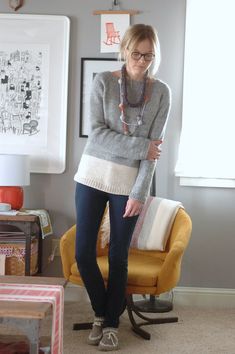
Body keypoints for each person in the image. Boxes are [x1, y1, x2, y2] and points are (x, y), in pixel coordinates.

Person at [74, 23, 171, 351]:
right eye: (136, 53)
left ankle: (111, 324)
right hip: (91, 176)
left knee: (119, 255)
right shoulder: (103, 82)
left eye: (149, 55)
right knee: (83, 252)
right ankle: (101, 312)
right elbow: (97, 134)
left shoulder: (161, 93)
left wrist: (140, 192)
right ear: (124, 50)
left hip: (128, 184)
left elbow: (154, 152)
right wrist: (142, 147)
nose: (142, 60)